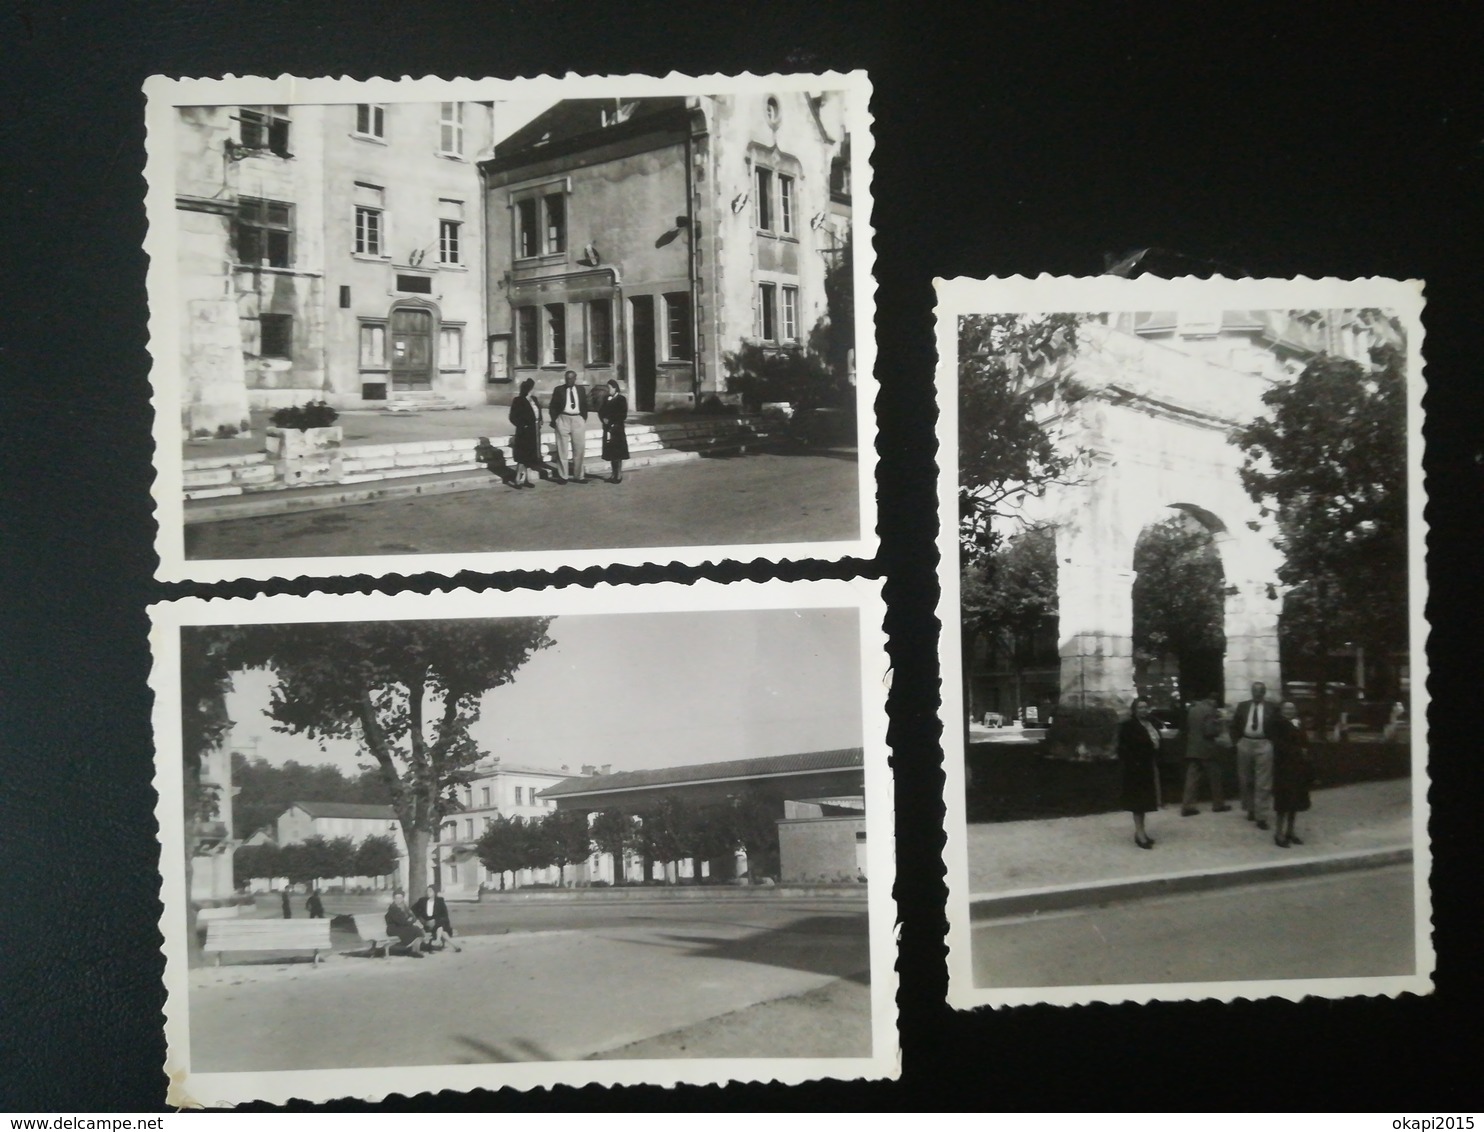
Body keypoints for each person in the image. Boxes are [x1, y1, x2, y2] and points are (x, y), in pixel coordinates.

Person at [1230, 681, 1278, 831]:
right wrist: (1236, 742)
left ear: (1264, 692)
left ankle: (1261, 815)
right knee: (1246, 779)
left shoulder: (1272, 707)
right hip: (1245, 743)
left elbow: (1278, 726)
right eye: (1255, 691)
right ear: (1251, 692)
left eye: (1260, 691)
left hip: (1264, 743)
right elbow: (1234, 725)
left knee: (1263, 782)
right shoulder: (1243, 706)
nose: (1258, 693)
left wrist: (1273, 743)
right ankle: (1250, 808)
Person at [1117, 697, 1163, 849]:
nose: (1143, 710)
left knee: (1144, 803)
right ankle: (1140, 834)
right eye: (1140, 708)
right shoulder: (1128, 726)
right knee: (1138, 803)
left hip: (1148, 766)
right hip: (1135, 769)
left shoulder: (1151, 724)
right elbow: (1123, 748)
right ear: (1134, 710)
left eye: (1145, 707)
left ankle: (1141, 831)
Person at [1271, 701, 1314, 848]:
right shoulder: (1278, 724)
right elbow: (1279, 745)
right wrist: (1298, 751)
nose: (1290, 711)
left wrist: (1305, 751)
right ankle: (1278, 833)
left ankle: (1290, 831)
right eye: (1287, 708)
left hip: (1297, 768)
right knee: (1283, 803)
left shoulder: (1298, 724)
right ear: (1282, 710)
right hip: (1284, 768)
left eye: (1292, 708)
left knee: (1294, 801)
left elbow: (1305, 742)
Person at [1180, 692, 1231, 816]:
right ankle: (1218, 804)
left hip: (1193, 748)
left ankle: (1187, 806)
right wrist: (1219, 725)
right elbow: (1209, 731)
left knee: (1192, 779)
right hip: (1207, 749)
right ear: (1212, 700)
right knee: (1215, 778)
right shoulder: (1210, 710)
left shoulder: (1192, 709)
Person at [547, 370, 590, 484]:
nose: (569, 380)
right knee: (562, 449)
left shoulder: (581, 390)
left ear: (575, 379)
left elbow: (585, 405)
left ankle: (579, 476)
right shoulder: (559, 390)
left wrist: (583, 418)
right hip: (563, 419)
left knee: (579, 448)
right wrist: (555, 420)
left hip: (577, 419)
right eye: (567, 378)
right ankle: (563, 476)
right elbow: (552, 406)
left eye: (571, 378)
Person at [508, 377, 544, 489]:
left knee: (530, 456)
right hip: (524, 432)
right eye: (533, 388)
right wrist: (522, 425)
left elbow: (538, 411)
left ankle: (526, 479)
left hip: (534, 431)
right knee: (522, 457)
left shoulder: (534, 399)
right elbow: (512, 416)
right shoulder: (518, 400)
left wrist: (540, 419)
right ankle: (517, 480)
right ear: (529, 389)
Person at [413, 884, 462, 952]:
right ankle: (453, 945)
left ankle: (439, 940)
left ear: (434, 892)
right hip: (425, 924)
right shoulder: (422, 901)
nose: (428, 892)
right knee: (441, 930)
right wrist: (421, 920)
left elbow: (444, 915)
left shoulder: (440, 901)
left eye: (430, 891)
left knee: (440, 926)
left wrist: (435, 920)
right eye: (427, 891)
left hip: (438, 923)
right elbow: (413, 910)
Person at [598, 378, 629, 483]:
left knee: (618, 453)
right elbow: (601, 411)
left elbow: (622, 414)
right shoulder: (606, 398)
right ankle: (613, 474)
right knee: (610, 453)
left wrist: (611, 420)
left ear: (615, 388)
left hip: (617, 429)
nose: (608, 390)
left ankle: (619, 475)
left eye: (609, 388)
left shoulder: (621, 399)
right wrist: (603, 419)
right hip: (608, 429)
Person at [384, 890, 428, 958]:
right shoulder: (393, 909)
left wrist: (410, 920)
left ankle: (416, 950)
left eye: (400, 898)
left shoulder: (404, 907)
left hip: (402, 927)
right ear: (394, 899)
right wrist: (410, 921)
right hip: (393, 929)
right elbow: (401, 922)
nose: (398, 900)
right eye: (396, 898)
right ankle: (413, 951)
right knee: (415, 930)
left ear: (403, 898)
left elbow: (413, 917)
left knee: (417, 929)